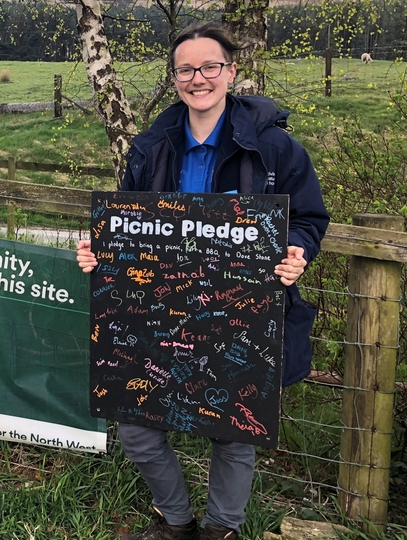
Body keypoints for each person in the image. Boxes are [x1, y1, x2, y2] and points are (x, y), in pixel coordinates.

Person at [75, 21, 330, 540]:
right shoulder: (150, 147)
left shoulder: (276, 148)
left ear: (230, 72)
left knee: (234, 432)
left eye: (209, 66)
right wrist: (99, 250)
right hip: (159, 313)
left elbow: (307, 217)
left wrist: (296, 251)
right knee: (137, 427)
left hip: (243, 311)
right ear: (173, 78)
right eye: (186, 69)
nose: (199, 78)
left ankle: (221, 528)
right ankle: (176, 520)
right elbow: (128, 224)